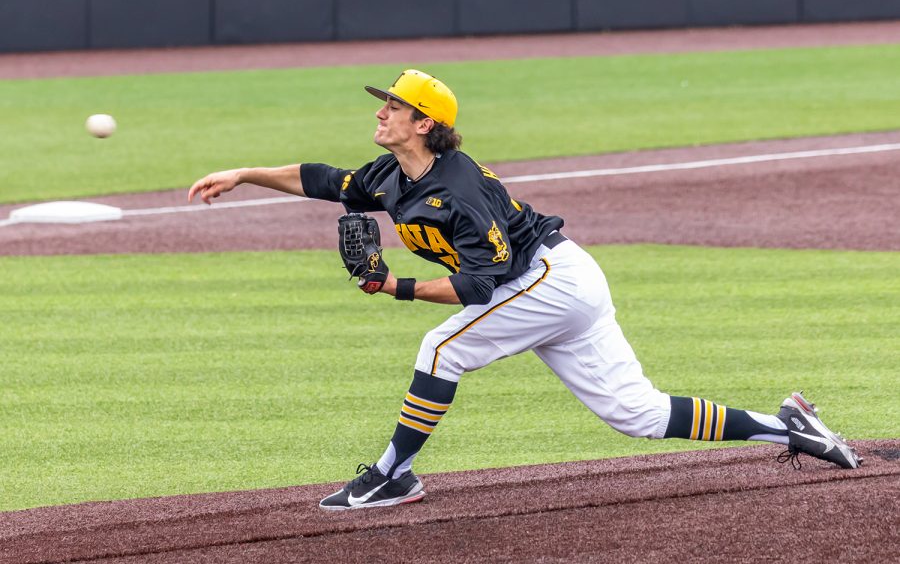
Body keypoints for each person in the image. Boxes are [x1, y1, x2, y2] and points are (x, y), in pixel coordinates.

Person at [188, 69, 861, 511]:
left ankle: (395, 473)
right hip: (555, 281)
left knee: (442, 348)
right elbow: (326, 180)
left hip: (548, 282)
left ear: (425, 123)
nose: (383, 111)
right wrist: (244, 172)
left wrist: (392, 285)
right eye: (386, 103)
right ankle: (788, 428)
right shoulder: (393, 173)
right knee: (639, 415)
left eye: (396, 105)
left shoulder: (458, 190)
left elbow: (483, 285)